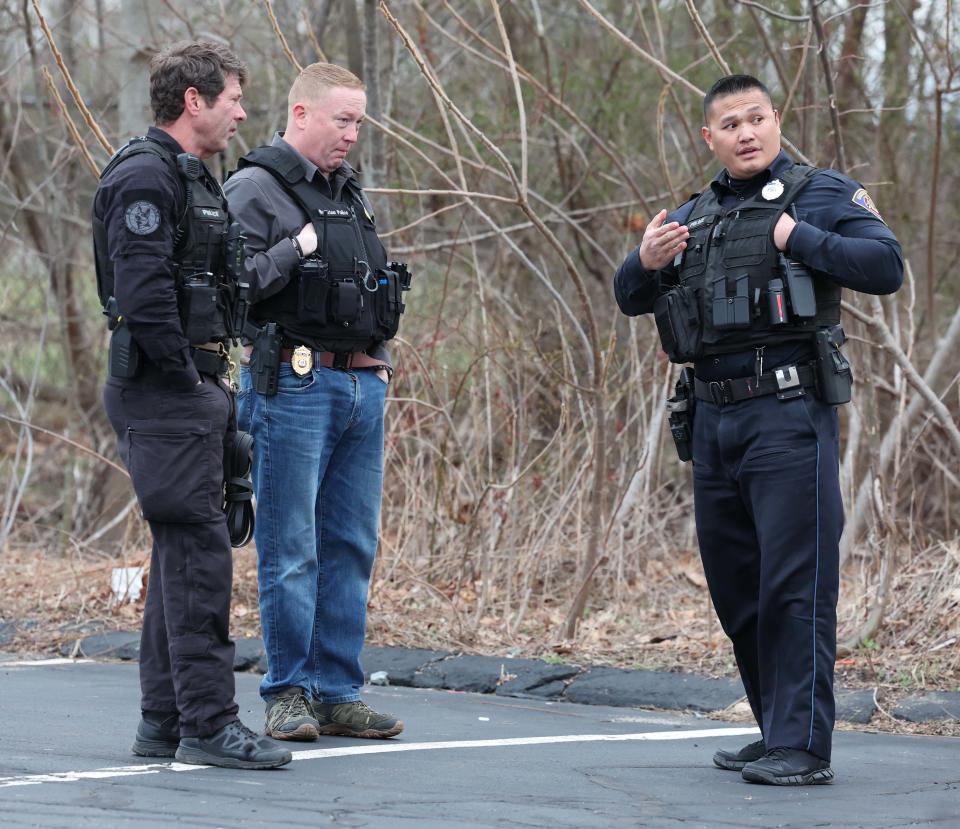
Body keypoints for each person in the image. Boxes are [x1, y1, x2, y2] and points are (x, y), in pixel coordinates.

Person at [614, 75, 902, 785]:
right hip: (712, 418)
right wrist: (644, 262)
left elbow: (885, 265)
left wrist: (799, 237)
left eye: (757, 119)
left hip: (787, 413)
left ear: (777, 121)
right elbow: (629, 295)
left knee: (794, 583)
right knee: (736, 585)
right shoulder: (695, 213)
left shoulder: (820, 193)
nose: (746, 133)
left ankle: (803, 745)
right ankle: (777, 726)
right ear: (707, 137)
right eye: (730, 124)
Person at [93, 40, 291, 770]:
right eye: (233, 97)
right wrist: (187, 378)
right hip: (165, 390)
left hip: (186, 388)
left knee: (181, 549)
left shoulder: (188, 175)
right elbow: (145, 297)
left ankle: (164, 718)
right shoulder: (148, 177)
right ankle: (210, 723)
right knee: (203, 554)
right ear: (194, 100)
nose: (242, 111)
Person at [224, 63, 410, 741]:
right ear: (300, 114)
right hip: (294, 386)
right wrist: (294, 247)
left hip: (361, 385)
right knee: (292, 546)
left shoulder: (350, 195)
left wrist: (379, 366)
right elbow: (230, 288)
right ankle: (288, 692)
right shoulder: (254, 187)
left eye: (358, 121)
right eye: (341, 119)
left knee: (351, 544)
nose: (351, 134)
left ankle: (337, 691)